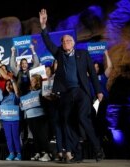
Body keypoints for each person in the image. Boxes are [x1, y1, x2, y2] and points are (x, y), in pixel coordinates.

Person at [39, 8, 105, 162]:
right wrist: (43, 27)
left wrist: (98, 91)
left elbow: (93, 75)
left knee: (82, 118)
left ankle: (97, 148)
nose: (66, 42)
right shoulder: (59, 54)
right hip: (66, 94)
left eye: (68, 40)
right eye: (63, 41)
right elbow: (48, 43)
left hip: (81, 91)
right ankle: (78, 154)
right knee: (69, 124)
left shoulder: (83, 55)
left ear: (73, 43)